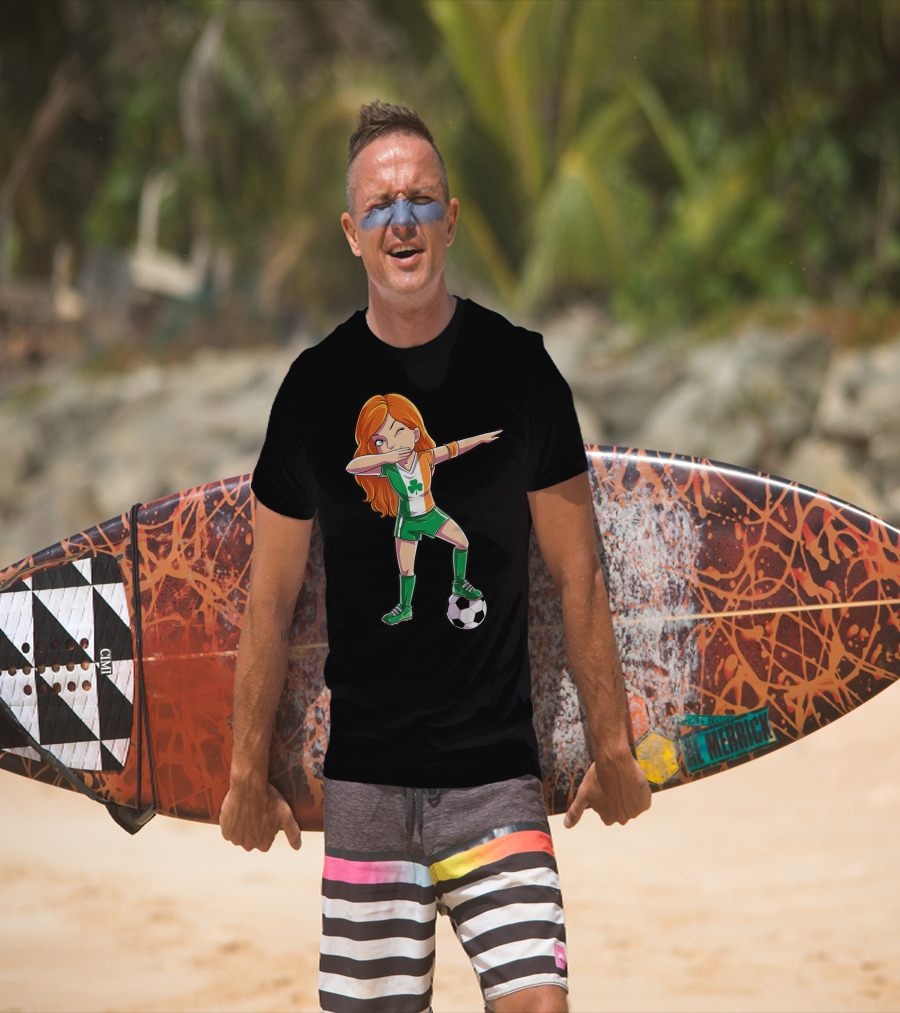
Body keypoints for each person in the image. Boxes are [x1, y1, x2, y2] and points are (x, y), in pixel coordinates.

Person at [220, 100, 651, 1013]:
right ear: (351, 232)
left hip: (496, 780)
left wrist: (612, 746)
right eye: (380, 206)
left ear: (451, 219)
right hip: (367, 788)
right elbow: (269, 600)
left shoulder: (523, 371)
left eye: (421, 200)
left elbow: (579, 574)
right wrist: (242, 772)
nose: (402, 220)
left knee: (540, 1003)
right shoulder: (312, 391)